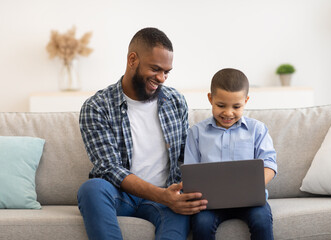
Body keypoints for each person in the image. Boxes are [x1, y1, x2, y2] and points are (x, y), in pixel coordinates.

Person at [77, 27, 207, 240]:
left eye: (167, 71)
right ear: (132, 59)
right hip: (121, 196)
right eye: (156, 69)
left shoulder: (175, 101)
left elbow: (186, 157)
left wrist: (176, 195)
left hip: (166, 197)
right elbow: (108, 168)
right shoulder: (97, 106)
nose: (162, 78)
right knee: (91, 189)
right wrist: (164, 197)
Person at [184, 68, 277, 240]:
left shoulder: (257, 130)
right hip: (210, 204)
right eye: (221, 105)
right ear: (210, 99)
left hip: (251, 201)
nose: (228, 113)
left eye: (236, 106)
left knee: (261, 220)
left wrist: (251, 187)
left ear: (246, 101)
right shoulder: (196, 133)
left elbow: (269, 165)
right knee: (202, 224)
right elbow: (191, 172)